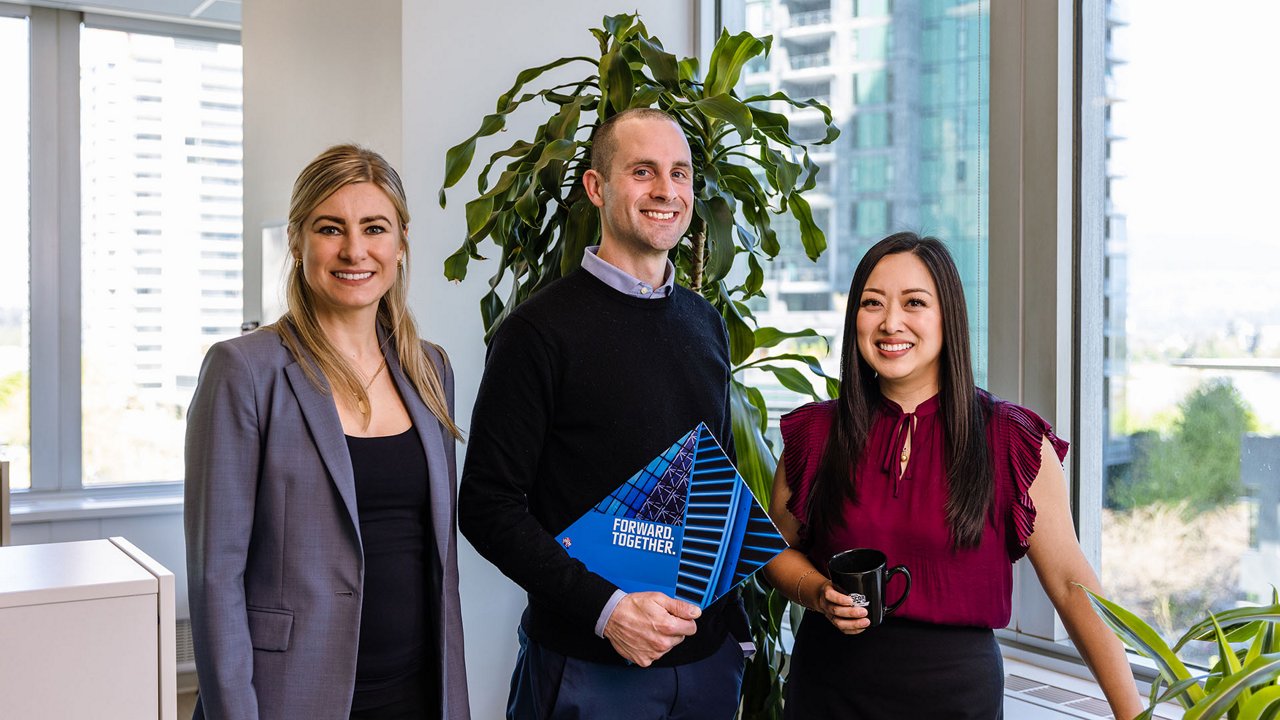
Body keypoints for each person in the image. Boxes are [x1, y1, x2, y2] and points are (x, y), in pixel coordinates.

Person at [762, 232, 1143, 719]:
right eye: (871, 303)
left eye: (914, 302)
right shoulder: (815, 433)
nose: (890, 322)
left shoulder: (1011, 438)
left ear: (949, 318)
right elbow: (774, 548)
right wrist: (817, 593)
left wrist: (1132, 714)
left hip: (956, 701)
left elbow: (1072, 587)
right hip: (828, 695)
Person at [458, 108, 750, 720]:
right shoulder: (535, 332)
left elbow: (712, 489)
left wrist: (736, 636)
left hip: (706, 666)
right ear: (596, 187)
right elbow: (487, 506)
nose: (667, 191)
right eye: (643, 171)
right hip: (587, 667)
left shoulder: (706, 325)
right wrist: (607, 610)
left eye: (680, 173)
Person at [185, 144, 470, 720]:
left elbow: (441, 567)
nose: (354, 250)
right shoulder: (244, 371)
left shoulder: (430, 369)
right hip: (290, 694)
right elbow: (216, 577)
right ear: (297, 241)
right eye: (330, 228)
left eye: (374, 228)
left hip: (417, 692)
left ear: (401, 242)